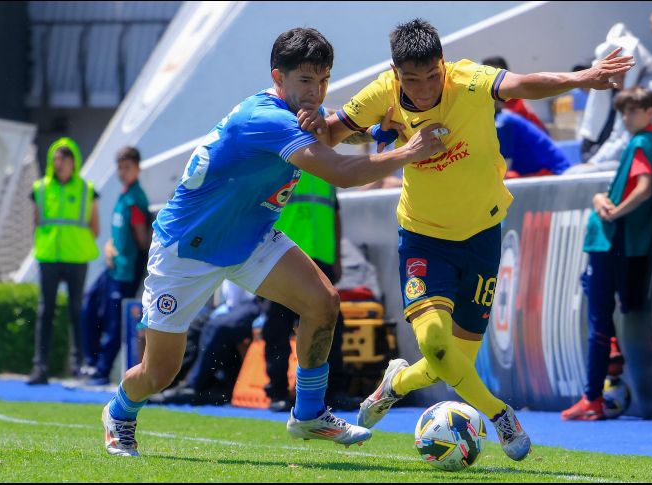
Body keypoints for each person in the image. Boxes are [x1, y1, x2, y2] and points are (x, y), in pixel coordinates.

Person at [100, 27, 446, 457]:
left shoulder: (296, 111)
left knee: (323, 303)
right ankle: (118, 411)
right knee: (159, 372)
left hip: (251, 238)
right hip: (187, 249)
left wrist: (378, 130)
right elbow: (339, 171)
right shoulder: (265, 119)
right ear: (277, 79)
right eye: (305, 81)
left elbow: (334, 128)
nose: (315, 92)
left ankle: (308, 414)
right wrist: (407, 151)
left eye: (322, 81)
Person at [305, 18, 633, 462]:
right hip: (422, 239)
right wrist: (326, 123)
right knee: (437, 347)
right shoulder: (381, 92)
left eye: (432, 76)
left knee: (454, 357)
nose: (422, 89)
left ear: (444, 65)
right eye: (411, 80)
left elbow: (525, 83)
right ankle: (500, 417)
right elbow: (331, 133)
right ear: (395, 72)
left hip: (482, 235)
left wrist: (583, 78)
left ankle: (394, 384)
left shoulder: (471, 80)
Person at [562, 87, 652, 420]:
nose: (626, 117)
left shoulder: (640, 144)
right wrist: (600, 199)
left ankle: (592, 397)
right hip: (620, 242)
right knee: (590, 289)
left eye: (633, 111)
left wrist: (614, 212)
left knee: (597, 318)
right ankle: (608, 360)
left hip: (611, 242)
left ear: (650, 112)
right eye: (623, 112)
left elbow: (643, 187)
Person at [262, 171, 358, 412]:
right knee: (277, 326)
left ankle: (334, 390)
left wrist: (336, 258)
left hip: (321, 258)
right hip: (283, 257)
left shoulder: (326, 167)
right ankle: (277, 391)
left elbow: (334, 214)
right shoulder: (283, 159)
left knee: (331, 326)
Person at [573, 24, 652, 170]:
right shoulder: (638, 91)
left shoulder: (651, 91)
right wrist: (593, 163)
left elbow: (627, 141)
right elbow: (617, 137)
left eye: (619, 76)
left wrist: (593, 166)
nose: (615, 82)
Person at [28, 137, 100, 385]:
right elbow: (36, 221)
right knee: (45, 311)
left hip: (76, 257)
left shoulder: (87, 189)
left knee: (76, 311)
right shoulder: (40, 188)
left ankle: (78, 365)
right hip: (48, 257)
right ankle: (40, 367)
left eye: (65, 159)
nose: (60, 164)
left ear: (74, 162)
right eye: (56, 159)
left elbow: (95, 226)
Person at [82, 146, 151, 386]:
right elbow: (119, 233)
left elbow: (142, 239)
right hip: (112, 268)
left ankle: (102, 371)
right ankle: (90, 363)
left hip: (125, 272)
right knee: (88, 306)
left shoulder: (135, 199)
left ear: (137, 168)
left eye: (127, 168)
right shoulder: (123, 195)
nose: (122, 172)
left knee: (113, 323)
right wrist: (110, 245)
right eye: (120, 168)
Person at [495, 99, 571, 177]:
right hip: (533, 172)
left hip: (553, 172)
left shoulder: (503, 122)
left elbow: (502, 169)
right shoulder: (502, 119)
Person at [480, 56, 549, 133]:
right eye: (488, 75)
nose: (493, 80)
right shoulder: (483, 100)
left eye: (496, 76)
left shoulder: (513, 103)